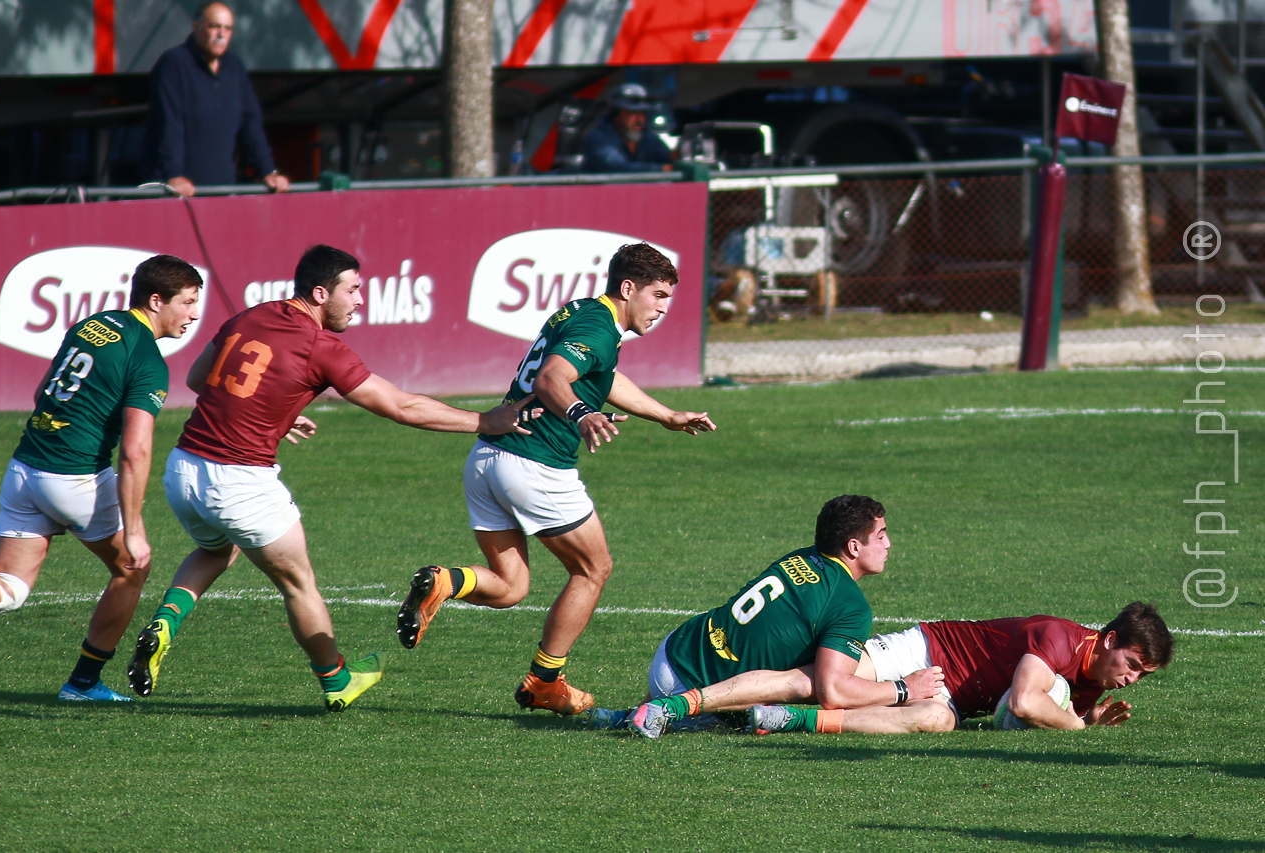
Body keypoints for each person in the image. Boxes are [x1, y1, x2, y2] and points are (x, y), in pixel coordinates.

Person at [126, 244, 538, 713]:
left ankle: (165, 622)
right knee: (299, 585)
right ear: (321, 293)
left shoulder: (251, 315)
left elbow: (202, 379)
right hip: (239, 481)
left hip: (183, 471)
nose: (361, 299)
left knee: (217, 549)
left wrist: (276, 407)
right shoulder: (321, 347)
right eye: (354, 290)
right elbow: (402, 407)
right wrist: (485, 421)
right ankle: (338, 679)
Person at [396, 242, 716, 716]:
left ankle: (447, 581)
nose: (664, 308)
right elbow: (552, 378)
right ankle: (545, 681)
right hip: (534, 465)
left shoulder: (587, 313)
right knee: (593, 569)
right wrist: (583, 413)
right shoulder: (598, 328)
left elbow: (601, 376)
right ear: (628, 288)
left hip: (487, 460)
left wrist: (664, 414)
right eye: (659, 295)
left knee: (511, 587)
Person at [0, 255, 203, 702]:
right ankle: (83, 683)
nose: (194, 314)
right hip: (73, 478)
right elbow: (135, 448)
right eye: (187, 302)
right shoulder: (147, 359)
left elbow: (40, 390)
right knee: (131, 567)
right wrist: (136, 530)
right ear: (156, 300)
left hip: (25, 467)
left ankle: (84, 683)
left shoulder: (94, 323)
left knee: (6, 592)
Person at [595, 494, 943, 737]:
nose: (888, 544)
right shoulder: (850, 604)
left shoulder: (803, 556)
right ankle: (668, 712)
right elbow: (834, 693)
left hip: (678, 646)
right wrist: (903, 688)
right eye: (880, 536)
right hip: (695, 686)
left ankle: (627, 716)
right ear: (854, 547)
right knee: (816, 679)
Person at [747, 601, 1174, 735]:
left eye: (1143, 675)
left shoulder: (1093, 678)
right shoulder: (1060, 639)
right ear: (1110, 640)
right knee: (815, 683)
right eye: (1133, 665)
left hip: (950, 699)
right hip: (927, 652)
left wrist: (1087, 717)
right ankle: (700, 700)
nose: (1132, 679)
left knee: (936, 721)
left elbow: (1048, 714)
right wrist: (1077, 727)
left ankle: (790, 720)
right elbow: (1025, 703)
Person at [142, 2, 289, 197]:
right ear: (196, 27)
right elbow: (169, 124)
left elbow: (250, 124)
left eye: (227, 28)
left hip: (222, 193)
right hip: (176, 194)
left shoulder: (235, 67)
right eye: (214, 26)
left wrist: (268, 172)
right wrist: (173, 175)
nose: (221, 34)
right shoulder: (174, 64)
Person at [580, 83, 674, 173]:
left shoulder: (649, 139)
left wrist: (678, 159)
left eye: (642, 113)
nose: (639, 120)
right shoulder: (597, 138)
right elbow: (616, 167)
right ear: (616, 116)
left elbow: (671, 161)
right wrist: (660, 169)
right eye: (632, 113)